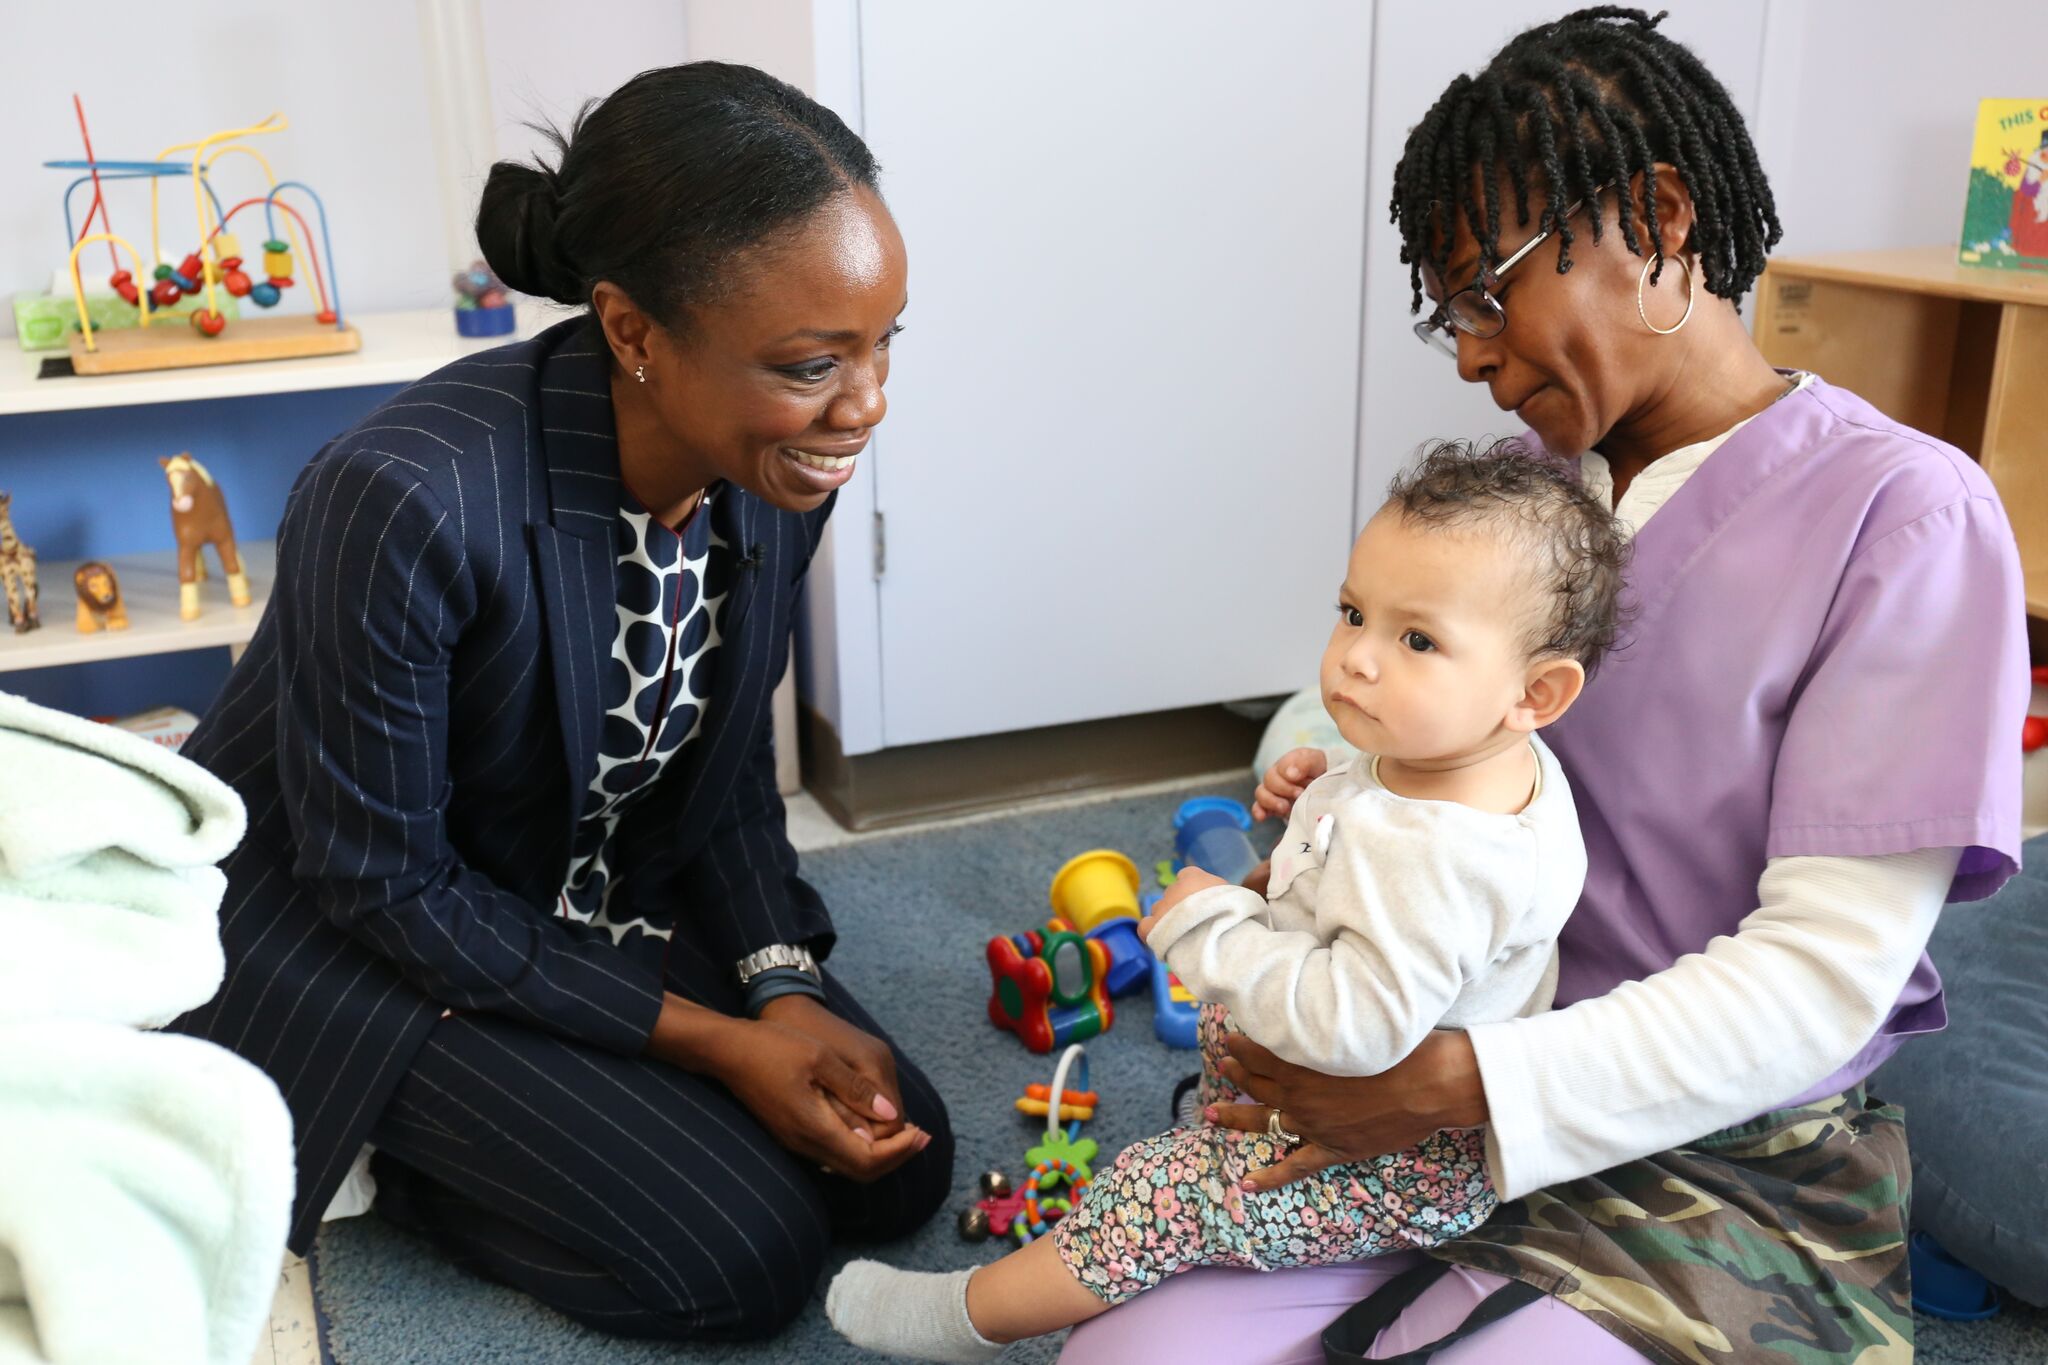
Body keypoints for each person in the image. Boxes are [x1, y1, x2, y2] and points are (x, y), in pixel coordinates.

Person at [1060, 9, 2028, 1363]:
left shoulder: (1908, 518)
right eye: (1446, 311)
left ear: (1658, 216)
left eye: (1488, 291)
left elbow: (1821, 980)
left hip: (1723, 1153)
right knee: (1120, 1353)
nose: (1466, 352)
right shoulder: (1531, 492)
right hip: (1429, 1070)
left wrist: (1457, 1087)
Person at [169, 63, 952, 1341]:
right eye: (815, 361)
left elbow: (728, 770)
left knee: (896, 1167)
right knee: (738, 1260)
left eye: (881, 345)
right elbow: (382, 884)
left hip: (567, 876)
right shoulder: (401, 499)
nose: (864, 405)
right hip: (353, 927)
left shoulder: (767, 462)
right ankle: (400, 1155)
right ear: (632, 330)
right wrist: (711, 1043)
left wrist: (779, 987)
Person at [826, 445, 1629, 1361]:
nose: (1356, 659)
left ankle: (967, 1319)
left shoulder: (1439, 860)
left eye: (1416, 640)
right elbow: (1401, 855)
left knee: (1155, 1191)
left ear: (1537, 691)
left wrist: (1212, 926)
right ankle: (1221, 1137)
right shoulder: (1479, 763)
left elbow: (1354, 1027)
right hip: (1369, 1098)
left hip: (1390, 1159)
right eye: (1353, 612)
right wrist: (1336, 780)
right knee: (1225, 1051)